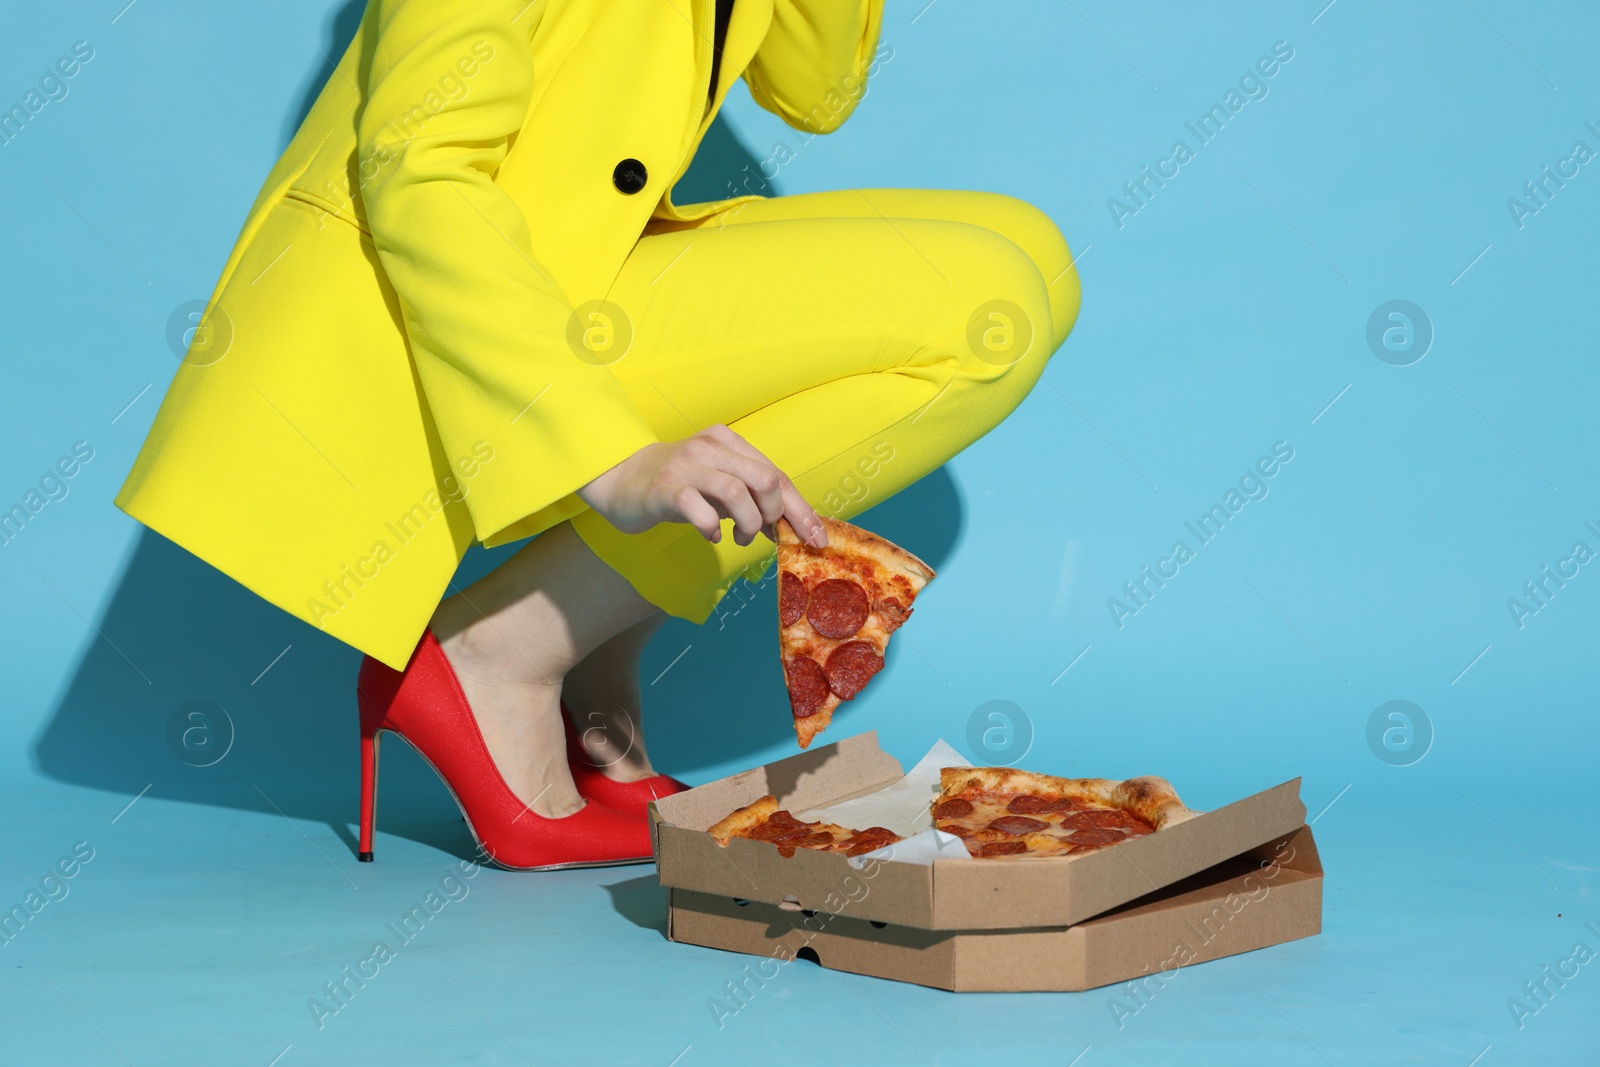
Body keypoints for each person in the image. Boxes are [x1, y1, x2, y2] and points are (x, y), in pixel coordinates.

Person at [115, 0, 1082, 869]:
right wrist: (608, 458)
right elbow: (421, 171)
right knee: (989, 306)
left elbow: (813, 90)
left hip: (588, 270)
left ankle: (591, 649)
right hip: (434, 317)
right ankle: (500, 651)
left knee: (1035, 260)